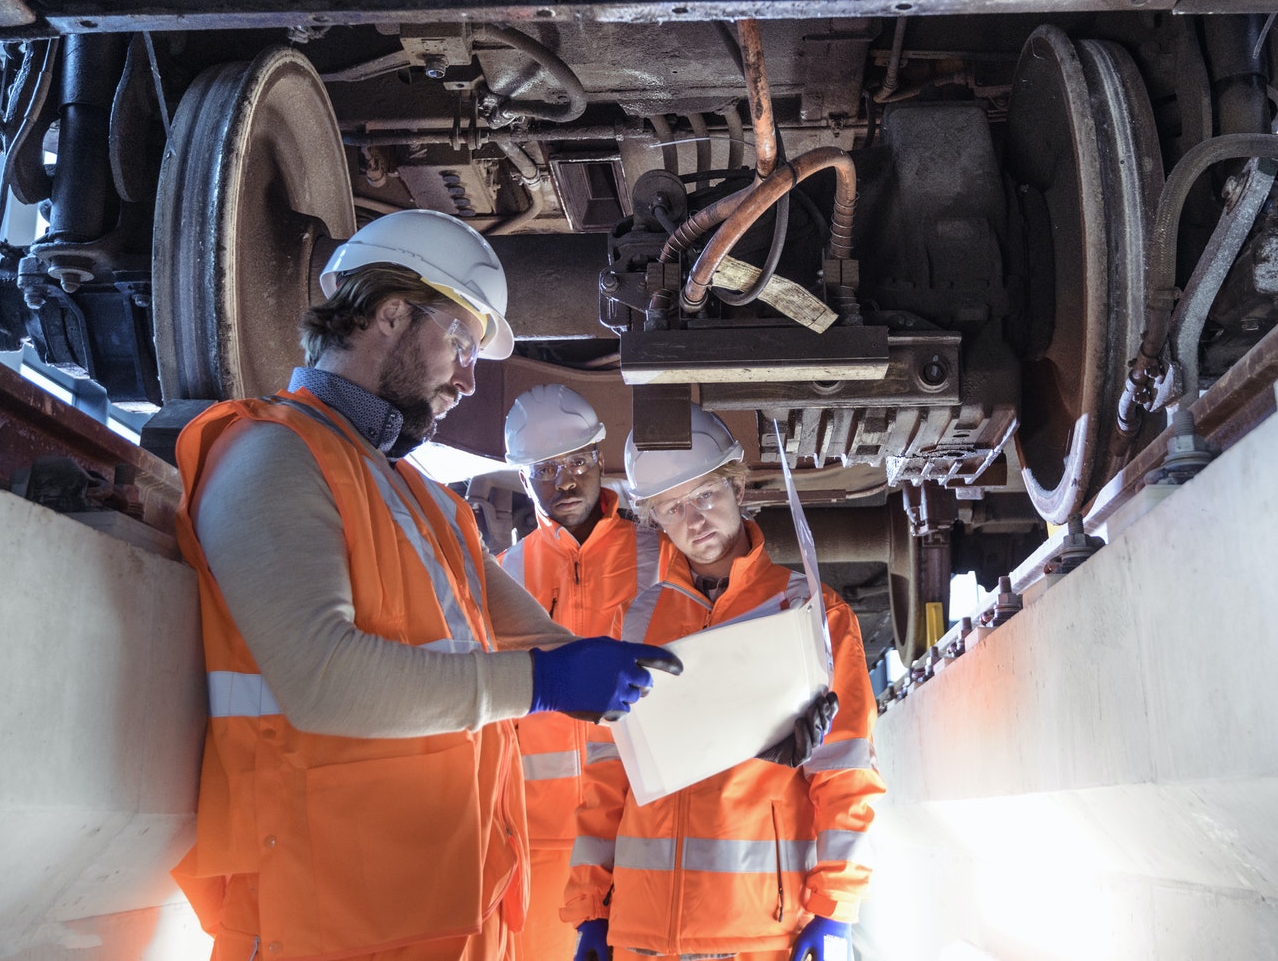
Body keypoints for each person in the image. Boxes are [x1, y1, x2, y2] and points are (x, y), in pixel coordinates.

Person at [168, 209, 680, 961]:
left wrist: (745, 722)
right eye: (463, 344)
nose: (470, 378)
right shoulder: (271, 455)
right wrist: (540, 683)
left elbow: (560, 653)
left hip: (454, 920)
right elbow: (323, 680)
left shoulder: (428, 499)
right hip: (320, 926)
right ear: (390, 313)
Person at [565, 407, 884, 961]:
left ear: (738, 486)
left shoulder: (811, 612)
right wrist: (590, 907)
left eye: (707, 495)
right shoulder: (631, 623)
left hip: (760, 930)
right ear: (654, 518)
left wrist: (836, 906)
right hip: (643, 934)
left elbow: (846, 772)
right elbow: (605, 777)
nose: (695, 520)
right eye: (672, 507)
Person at [498, 385, 645, 961]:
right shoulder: (503, 578)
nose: (566, 481)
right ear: (523, 477)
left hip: (643, 827)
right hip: (538, 849)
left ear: (599, 457)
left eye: (579, 461)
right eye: (546, 468)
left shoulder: (658, 555)